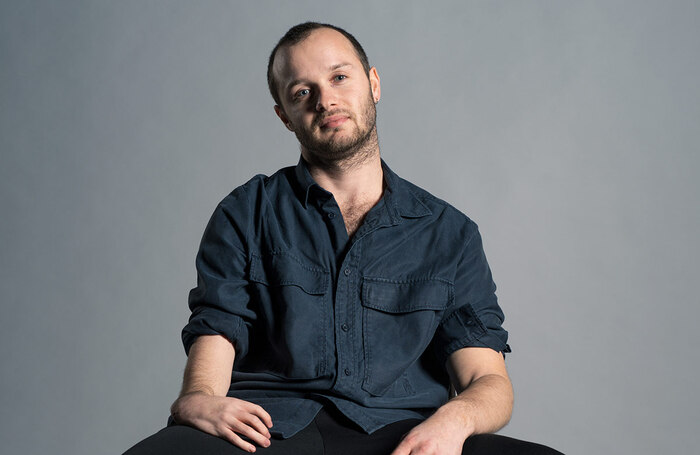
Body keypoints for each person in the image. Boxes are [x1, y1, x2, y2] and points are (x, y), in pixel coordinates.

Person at [124, 22, 563, 455]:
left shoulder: (449, 233)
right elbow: (217, 330)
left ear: (373, 83)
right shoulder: (246, 212)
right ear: (284, 115)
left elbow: (488, 381)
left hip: (404, 435)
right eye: (302, 91)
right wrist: (200, 398)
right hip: (270, 431)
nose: (325, 99)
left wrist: (455, 420)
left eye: (339, 77)